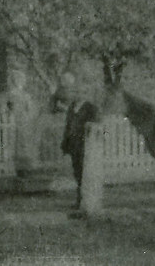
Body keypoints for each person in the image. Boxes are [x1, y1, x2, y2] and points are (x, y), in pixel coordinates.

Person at [60, 77, 98, 211]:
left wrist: (89, 127)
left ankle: (84, 200)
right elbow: (68, 125)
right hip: (73, 144)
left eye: (81, 92)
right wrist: (65, 143)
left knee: (84, 173)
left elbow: (96, 125)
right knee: (76, 171)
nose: (77, 94)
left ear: (86, 93)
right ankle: (79, 199)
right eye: (76, 92)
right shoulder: (72, 107)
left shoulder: (90, 108)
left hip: (84, 145)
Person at [8, 70, 40, 176]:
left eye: (22, 79)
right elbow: (10, 108)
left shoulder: (26, 95)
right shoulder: (12, 93)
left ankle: (27, 167)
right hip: (15, 120)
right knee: (18, 145)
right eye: (17, 79)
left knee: (26, 144)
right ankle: (19, 168)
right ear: (14, 81)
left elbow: (29, 108)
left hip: (26, 121)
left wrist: (30, 115)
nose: (20, 81)